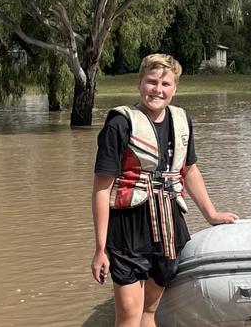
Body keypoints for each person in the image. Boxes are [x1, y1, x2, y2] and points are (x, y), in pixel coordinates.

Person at [90, 53, 238, 327]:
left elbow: (189, 170)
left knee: (149, 311)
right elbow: (101, 188)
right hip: (128, 233)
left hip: (169, 229)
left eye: (165, 84)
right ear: (139, 83)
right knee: (129, 317)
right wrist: (100, 249)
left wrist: (212, 214)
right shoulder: (119, 124)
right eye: (152, 81)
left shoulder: (182, 121)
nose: (158, 90)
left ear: (175, 88)